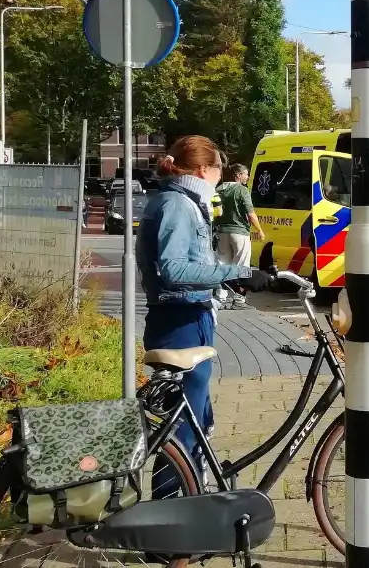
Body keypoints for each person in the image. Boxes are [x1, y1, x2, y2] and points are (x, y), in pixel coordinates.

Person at [136, 135, 272, 499]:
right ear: (201, 170)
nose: (220, 176)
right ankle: (169, 522)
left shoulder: (178, 200)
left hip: (184, 317)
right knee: (181, 428)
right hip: (179, 321)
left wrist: (226, 280)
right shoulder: (178, 205)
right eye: (217, 169)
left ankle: (193, 499)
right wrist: (237, 273)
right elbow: (175, 269)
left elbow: (195, 262)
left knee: (194, 419)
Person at [214, 163, 265, 309]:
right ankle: (239, 300)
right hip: (239, 232)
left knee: (222, 265)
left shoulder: (218, 190)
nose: (247, 177)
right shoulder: (242, 190)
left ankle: (220, 299)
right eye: (245, 174)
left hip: (221, 232)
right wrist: (260, 230)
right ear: (238, 175)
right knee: (242, 266)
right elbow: (250, 214)